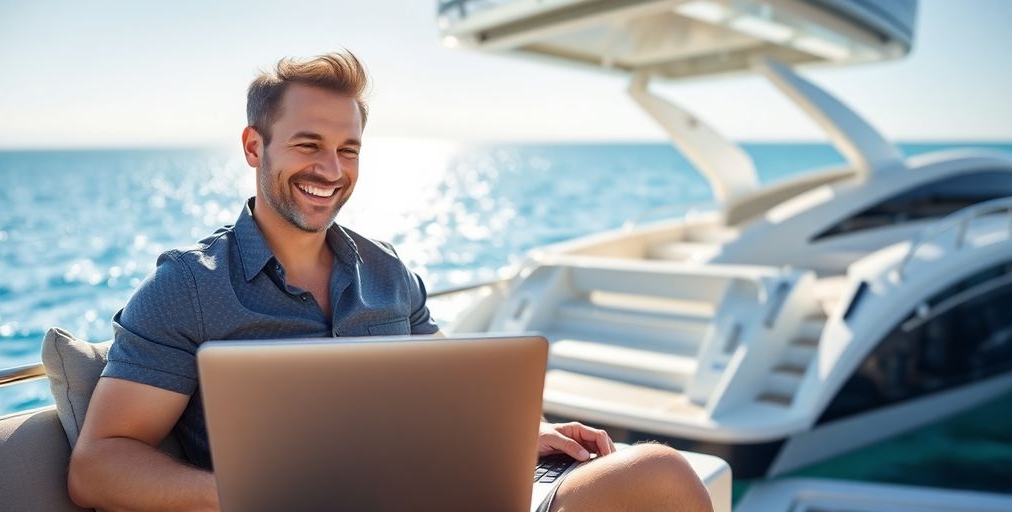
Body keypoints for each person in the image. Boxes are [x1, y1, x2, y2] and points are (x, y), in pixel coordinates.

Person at [67, 51, 713, 512]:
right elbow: (99, 466)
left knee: (660, 476)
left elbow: (451, 397)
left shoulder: (387, 272)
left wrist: (523, 433)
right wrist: (257, 499)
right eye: (307, 144)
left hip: (442, 492)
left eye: (347, 149)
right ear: (254, 146)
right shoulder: (189, 286)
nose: (330, 168)